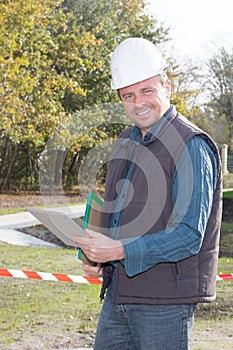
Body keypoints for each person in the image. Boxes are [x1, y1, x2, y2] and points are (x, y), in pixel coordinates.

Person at [75, 37, 222, 350]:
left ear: (167, 87)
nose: (138, 102)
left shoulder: (190, 145)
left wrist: (116, 251)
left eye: (147, 91)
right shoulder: (124, 143)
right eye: (128, 95)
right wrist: (95, 258)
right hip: (118, 296)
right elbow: (118, 217)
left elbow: (187, 235)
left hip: (165, 304)